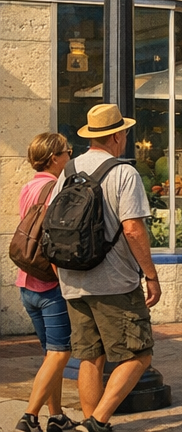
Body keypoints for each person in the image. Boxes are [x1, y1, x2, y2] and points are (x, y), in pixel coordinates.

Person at [55, 104, 161, 432]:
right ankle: (97, 422)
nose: (126, 137)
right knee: (139, 354)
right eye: (125, 132)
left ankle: (92, 424)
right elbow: (133, 229)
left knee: (90, 357)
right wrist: (151, 275)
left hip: (73, 278)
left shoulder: (68, 169)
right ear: (116, 135)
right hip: (114, 282)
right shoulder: (123, 173)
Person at [15, 133, 76, 432]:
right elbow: (54, 239)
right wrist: (63, 279)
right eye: (67, 152)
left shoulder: (29, 186)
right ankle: (29, 417)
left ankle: (57, 415)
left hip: (26, 282)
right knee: (61, 352)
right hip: (49, 285)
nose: (69, 157)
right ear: (54, 158)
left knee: (51, 355)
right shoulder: (56, 188)